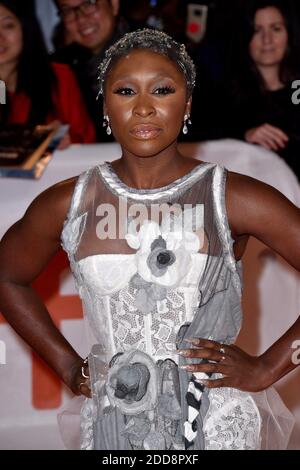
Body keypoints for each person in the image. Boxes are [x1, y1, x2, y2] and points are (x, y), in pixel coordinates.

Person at [0, 28, 300, 450]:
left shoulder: (232, 196)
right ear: (105, 105)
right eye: (125, 91)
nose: (144, 108)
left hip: (212, 428)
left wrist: (267, 368)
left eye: (162, 89)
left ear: (187, 103)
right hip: (112, 429)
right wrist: (68, 368)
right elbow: (7, 277)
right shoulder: (70, 202)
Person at [218, 0, 300, 180]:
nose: (267, 39)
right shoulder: (225, 94)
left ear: (289, 34)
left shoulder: (297, 89)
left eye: (276, 29)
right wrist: (243, 136)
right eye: (257, 30)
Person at [0, 0, 96, 145]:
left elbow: (87, 141)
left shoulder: (59, 77)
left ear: (25, 29)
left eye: (8, 26)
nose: (0, 37)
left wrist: (66, 141)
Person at [52, 0, 129, 141]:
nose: (80, 19)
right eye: (68, 11)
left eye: (89, 4)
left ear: (114, 4)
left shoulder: (155, 54)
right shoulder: (58, 69)